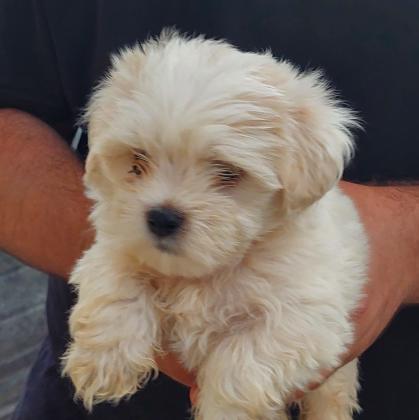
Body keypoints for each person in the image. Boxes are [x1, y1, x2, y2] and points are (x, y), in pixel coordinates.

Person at [0, 1, 418, 419]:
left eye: (226, 175)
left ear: (299, 175)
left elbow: (311, 325)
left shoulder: (305, 258)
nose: (163, 204)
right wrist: (116, 311)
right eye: (139, 164)